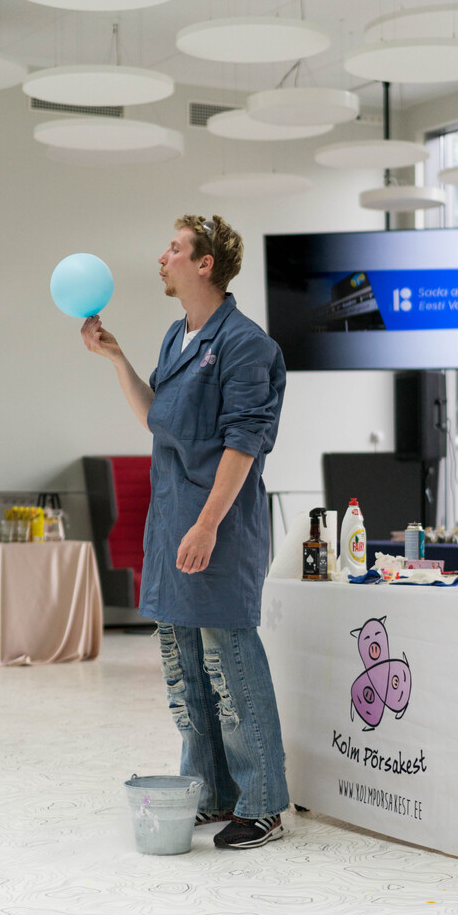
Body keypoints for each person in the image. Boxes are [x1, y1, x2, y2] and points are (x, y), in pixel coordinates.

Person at [81, 215, 289, 849]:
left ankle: (262, 803)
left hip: (215, 527)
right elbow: (158, 419)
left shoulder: (247, 345)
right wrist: (116, 358)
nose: (161, 257)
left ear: (205, 264)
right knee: (185, 665)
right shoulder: (178, 337)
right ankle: (211, 790)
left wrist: (205, 525)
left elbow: (243, 444)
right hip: (172, 521)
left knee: (231, 661)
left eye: (174, 248)